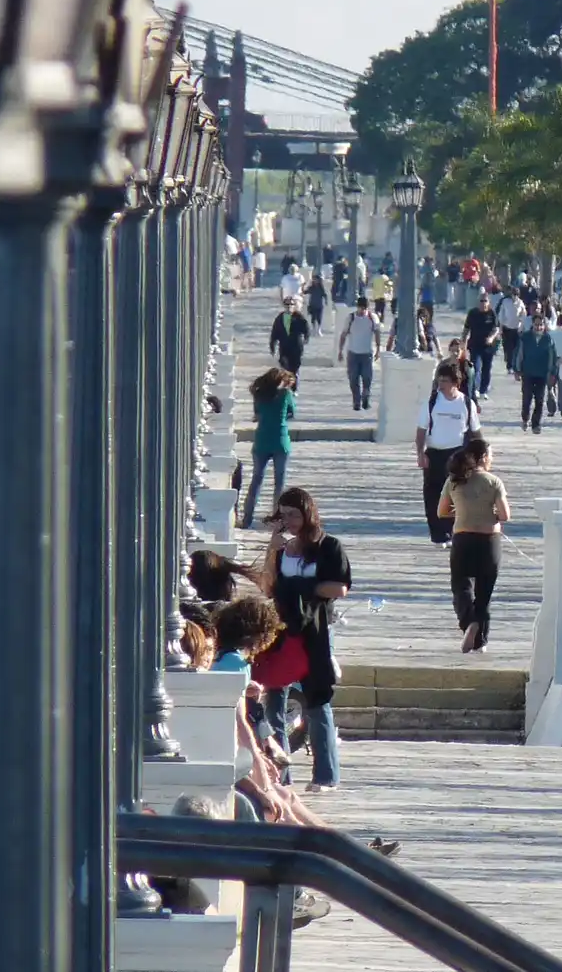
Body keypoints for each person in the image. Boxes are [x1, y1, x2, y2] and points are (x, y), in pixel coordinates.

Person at [260, 488, 351, 792]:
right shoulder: (283, 549)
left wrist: (301, 587)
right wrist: (273, 550)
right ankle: (279, 774)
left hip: (315, 629)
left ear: (308, 514)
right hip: (281, 629)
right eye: (283, 514)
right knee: (273, 699)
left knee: (317, 701)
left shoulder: (329, 547)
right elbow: (268, 586)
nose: (289, 520)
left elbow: (339, 588)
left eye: (294, 514)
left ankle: (326, 775)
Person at [436, 438, 509, 653]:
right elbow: (504, 515)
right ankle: (481, 641)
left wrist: (461, 509)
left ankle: (469, 622)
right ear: (484, 457)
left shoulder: (454, 480)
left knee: (461, 587)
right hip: (489, 541)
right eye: (491, 455)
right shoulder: (494, 481)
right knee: (484, 593)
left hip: (463, 538)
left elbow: (441, 512)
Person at [415, 363, 481, 545]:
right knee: (432, 494)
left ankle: (452, 531)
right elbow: (421, 431)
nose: (440, 384)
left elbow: (476, 433)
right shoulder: (431, 403)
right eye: (439, 380)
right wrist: (420, 453)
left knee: (457, 494)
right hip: (434, 454)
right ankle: (437, 534)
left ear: (455, 383)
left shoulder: (467, 403)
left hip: (458, 455)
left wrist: (480, 457)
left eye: (444, 381)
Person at [241, 368, 296, 529]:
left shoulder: (259, 395)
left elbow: (257, 415)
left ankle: (247, 518)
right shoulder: (285, 395)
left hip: (262, 441)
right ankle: (278, 519)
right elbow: (292, 413)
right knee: (279, 482)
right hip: (280, 440)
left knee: (256, 480)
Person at [514, 311, 559, 433]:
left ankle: (536, 424)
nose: (538, 327)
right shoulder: (526, 337)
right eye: (536, 325)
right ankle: (525, 418)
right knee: (527, 398)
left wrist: (553, 373)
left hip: (542, 374)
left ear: (544, 326)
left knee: (539, 400)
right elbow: (519, 354)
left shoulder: (548, 339)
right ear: (532, 325)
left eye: (541, 325)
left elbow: (553, 358)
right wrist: (517, 370)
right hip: (528, 373)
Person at [336, 295, 381, 412]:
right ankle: (356, 401)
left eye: (364, 308)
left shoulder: (372, 318)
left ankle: (366, 397)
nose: (362, 310)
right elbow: (343, 334)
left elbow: (377, 332)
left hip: (367, 353)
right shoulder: (350, 318)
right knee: (353, 379)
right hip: (353, 353)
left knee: (367, 377)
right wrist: (340, 351)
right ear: (357, 307)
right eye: (361, 308)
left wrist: (378, 348)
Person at [463, 290, 500, 398]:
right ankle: (475, 389)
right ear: (478, 302)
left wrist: (491, 338)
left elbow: (496, 328)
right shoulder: (472, 313)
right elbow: (466, 329)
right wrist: (463, 343)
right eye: (481, 301)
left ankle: (484, 390)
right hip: (475, 345)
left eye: (485, 301)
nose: (483, 303)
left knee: (487, 369)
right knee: (476, 367)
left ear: (489, 302)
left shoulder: (492, 313)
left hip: (488, 347)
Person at [268, 298, 310, 384]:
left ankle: (294, 387)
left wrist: (306, 338)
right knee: (285, 367)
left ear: (294, 306)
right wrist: (272, 346)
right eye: (287, 305)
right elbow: (274, 333)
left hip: (296, 347)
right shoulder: (279, 318)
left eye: (291, 305)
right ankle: (287, 386)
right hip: (284, 347)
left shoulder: (298, 317)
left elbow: (306, 328)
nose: (289, 307)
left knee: (294, 368)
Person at [494, 284, 526, 373]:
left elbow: (523, 315)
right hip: (507, 328)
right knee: (508, 347)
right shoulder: (505, 302)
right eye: (513, 294)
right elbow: (501, 315)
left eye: (516, 295)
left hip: (516, 329)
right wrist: (500, 327)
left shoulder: (520, 303)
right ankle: (509, 366)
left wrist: (521, 325)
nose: (514, 296)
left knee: (516, 348)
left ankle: (514, 365)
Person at [443, 338, 476, 405]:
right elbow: (436, 384)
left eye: (458, 351)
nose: (455, 353)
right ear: (449, 350)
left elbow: (471, 387)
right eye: (453, 351)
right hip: (447, 400)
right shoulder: (443, 365)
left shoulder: (468, 367)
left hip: (463, 401)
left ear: (462, 351)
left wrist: (475, 403)